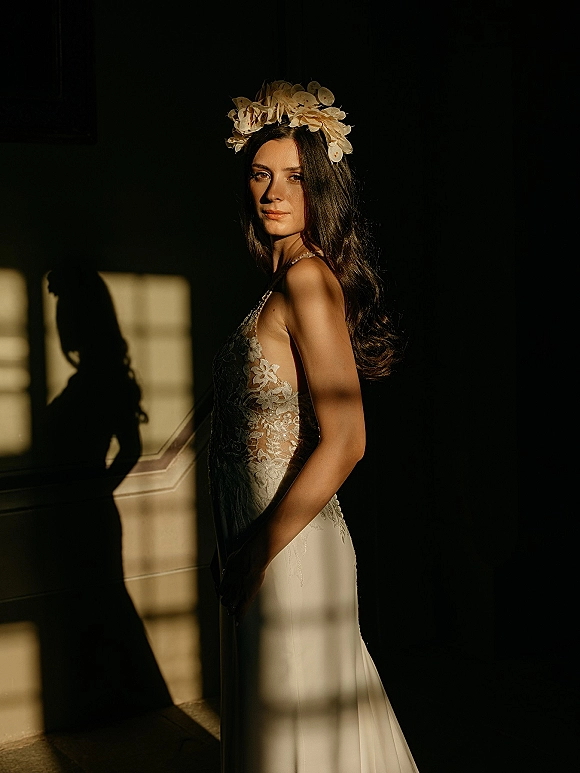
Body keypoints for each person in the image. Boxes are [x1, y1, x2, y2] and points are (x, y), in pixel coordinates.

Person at [209, 81, 419, 773]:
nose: (273, 191)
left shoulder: (305, 279)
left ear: (319, 188)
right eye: (261, 174)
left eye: (294, 178)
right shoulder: (279, 282)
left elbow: (349, 438)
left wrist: (258, 549)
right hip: (261, 543)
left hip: (289, 549)